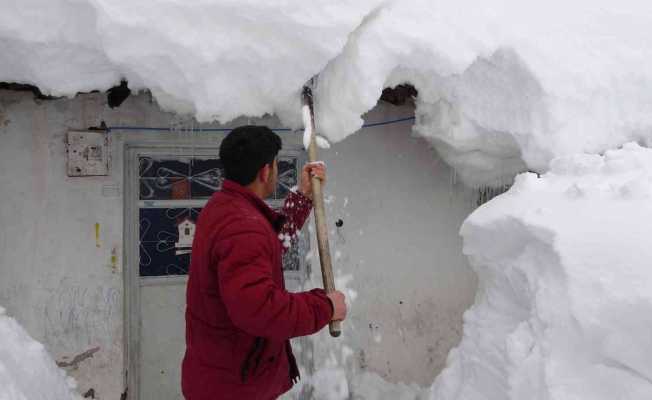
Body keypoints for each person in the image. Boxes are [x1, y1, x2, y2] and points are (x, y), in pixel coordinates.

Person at [181, 125, 347, 400]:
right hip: (235, 387)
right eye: (276, 163)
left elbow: (268, 244)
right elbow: (260, 310)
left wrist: (303, 198)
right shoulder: (242, 225)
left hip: (223, 376)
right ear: (265, 171)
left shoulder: (224, 207)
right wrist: (325, 306)